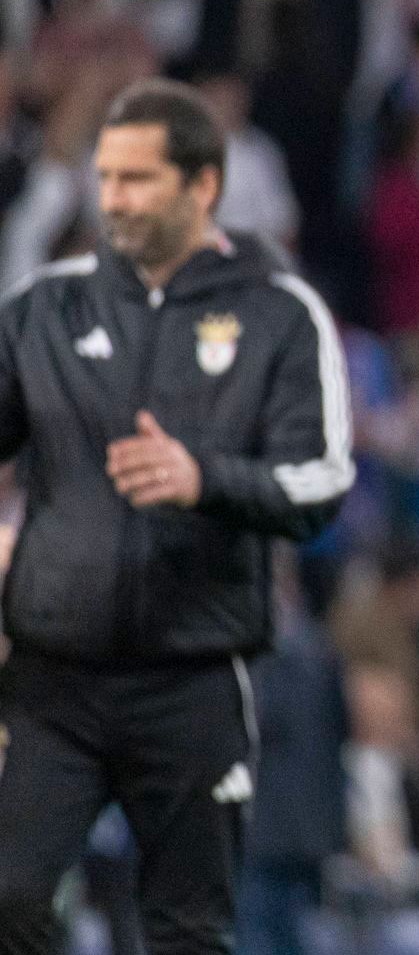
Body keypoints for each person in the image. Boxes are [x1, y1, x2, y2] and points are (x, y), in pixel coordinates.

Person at [0, 77, 355, 954]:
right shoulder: (46, 308)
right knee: (8, 897)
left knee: (188, 934)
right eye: (105, 178)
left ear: (204, 185)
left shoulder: (279, 313)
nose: (111, 199)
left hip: (193, 679)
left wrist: (208, 478)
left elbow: (320, 485)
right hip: (53, 681)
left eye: (136, 180)